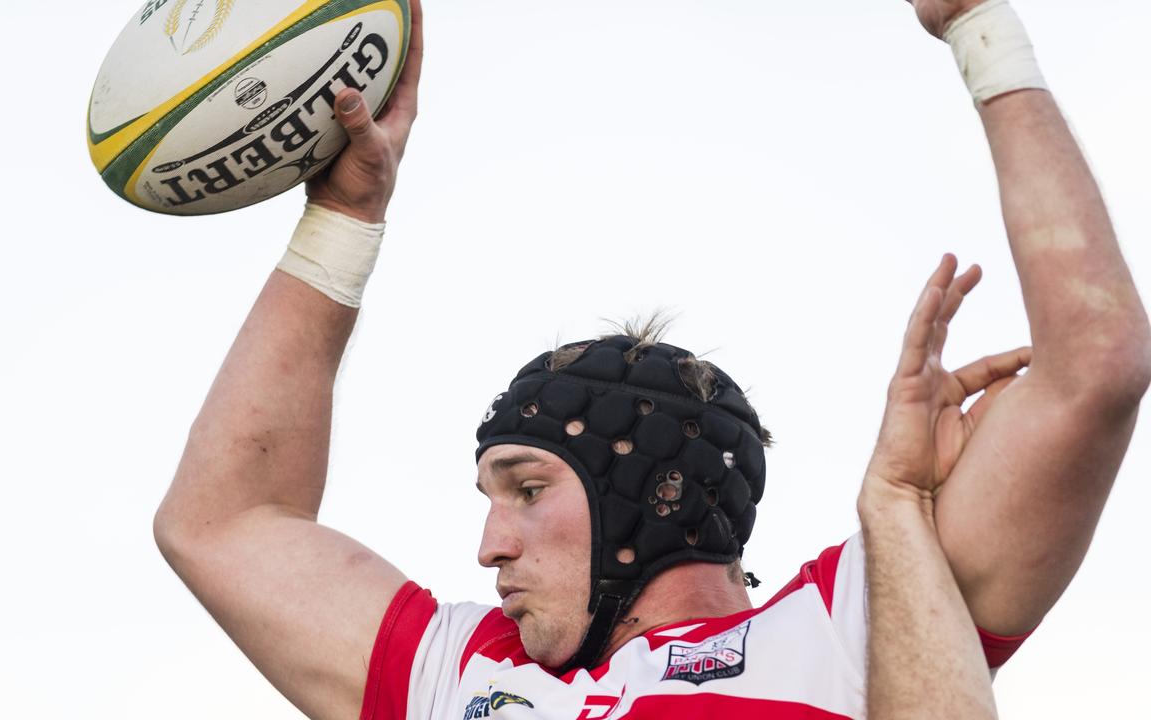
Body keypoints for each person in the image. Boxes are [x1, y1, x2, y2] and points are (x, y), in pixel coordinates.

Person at [153, 0, 1150, 718]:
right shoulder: (459, 674)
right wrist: (342, 217)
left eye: (526, 489)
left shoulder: (847, 623)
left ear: (652, 496)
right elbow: (221, 522)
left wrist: (979, 26)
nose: (488, 545)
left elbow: (1095, 358)